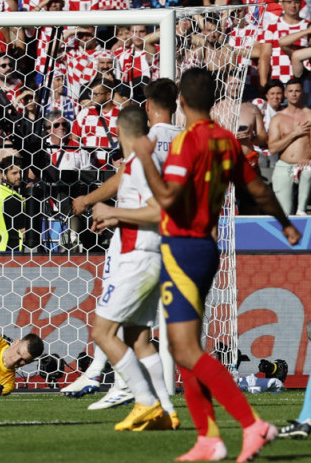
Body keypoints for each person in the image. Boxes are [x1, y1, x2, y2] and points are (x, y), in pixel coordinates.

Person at [134, 67, 300, 462]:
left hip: (183, 248)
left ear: (182, 102)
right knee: (186, 345)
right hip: (206, 247)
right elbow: (257, 186)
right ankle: (208, 438)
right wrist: (286, 224)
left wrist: (145, 158)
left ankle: (251, 425)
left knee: (186, 349)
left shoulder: (187, 142)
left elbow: (170, 198)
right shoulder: (226, 140)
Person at [66, 78, 181, 410]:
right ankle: (161, 406)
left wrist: (99, 204)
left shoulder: (146, 150)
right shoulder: (185, 141)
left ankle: (129, 389)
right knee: (137, 336)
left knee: (105, 330)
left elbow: (146, 193)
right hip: (171, 243)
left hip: (137, 249)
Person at [88, 105, 178, 431]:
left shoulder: (141, 164)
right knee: (137, 338)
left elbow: (159, 211)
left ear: (117, 131)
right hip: (145, 256)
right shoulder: (138, 163)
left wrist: (112, 211)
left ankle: (145, 400)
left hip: (138, 258)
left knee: (102, 332)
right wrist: (114, 216)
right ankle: (167, 409)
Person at [267, 78, 311, 215]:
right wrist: (294, 133)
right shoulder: (278, 118)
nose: (294, 94)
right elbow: (273, 148)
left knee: (308, 171)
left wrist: (308, 157)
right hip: (284, 164)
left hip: (305, 164)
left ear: (302, 93)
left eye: (297, 91)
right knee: (284, 212)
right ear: (285, 94)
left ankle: (301, 209)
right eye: (290, 91)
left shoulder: (309, 115)